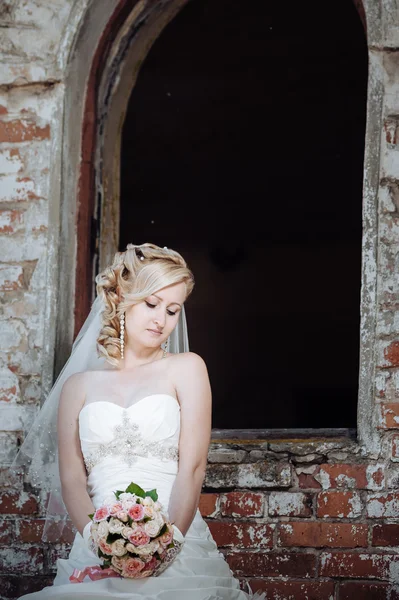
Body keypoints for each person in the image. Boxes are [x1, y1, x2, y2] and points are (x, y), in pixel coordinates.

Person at [15, 243, 265, 600]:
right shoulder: (78, 386)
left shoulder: (187, 368)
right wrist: (100, 544)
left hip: (178, 539)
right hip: (97, 542)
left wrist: (168, 543)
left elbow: (192, 468)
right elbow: (72, 479)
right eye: (151, 304)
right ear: (121, 297)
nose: (161, 320)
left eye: (173, 310)